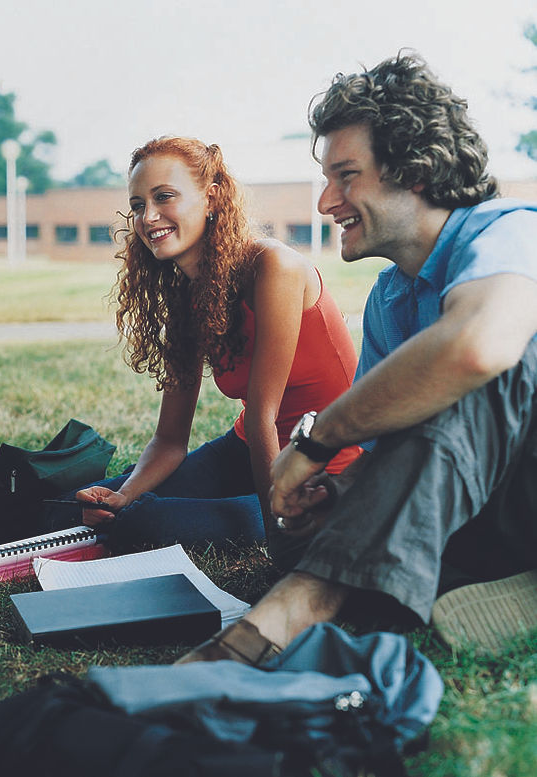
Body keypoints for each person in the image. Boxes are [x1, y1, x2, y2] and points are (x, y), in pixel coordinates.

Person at [179, 53, 537, 666]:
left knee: (463, 377)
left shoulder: (508, 231)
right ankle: (491, 583)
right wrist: (331, 491)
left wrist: (317, 441)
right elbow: (393, 461)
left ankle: (295, 609)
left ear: (416, 171)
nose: (326, 202)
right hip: (481, 501)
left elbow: (478, 347)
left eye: (346, 176)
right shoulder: (392, 298)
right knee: (304, 536)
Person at [50, 136, 361, 552]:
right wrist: (125, 494)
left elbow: (262, 416)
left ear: (212, 198)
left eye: (164, 197)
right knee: (83, 505)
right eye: (139, 205)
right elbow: (170, 440)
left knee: (144, 523)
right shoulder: (189, 292)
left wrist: (280, 531)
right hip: (249, 450)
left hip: (323, 467)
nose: (148, 217)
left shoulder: (275, 267)